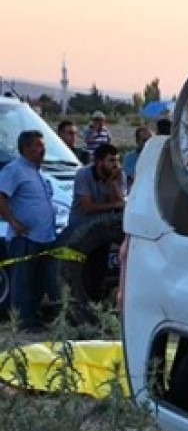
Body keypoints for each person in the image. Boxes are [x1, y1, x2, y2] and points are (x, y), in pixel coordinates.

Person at [0, 131, 59, 331]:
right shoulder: (14, 170)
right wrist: (13, 222)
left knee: (38, 280)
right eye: (38, 145)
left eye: (43, 145)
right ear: (26, 148)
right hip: (24, 237)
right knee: (22, 281)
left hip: (44, 236)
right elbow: (1, 197)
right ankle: (23, 323)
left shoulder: (38, 171)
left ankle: (33, 318)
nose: (43, 149)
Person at [69, 143, 128, 228]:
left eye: (117, 160)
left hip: (104, 224)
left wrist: (113, 184)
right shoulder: (83, 174)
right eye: (111, 160)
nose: (116, 164)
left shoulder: (119, 174)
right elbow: (88, 207)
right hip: (81, 225)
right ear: (99, 162)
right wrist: (115, 205)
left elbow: (120, 205)